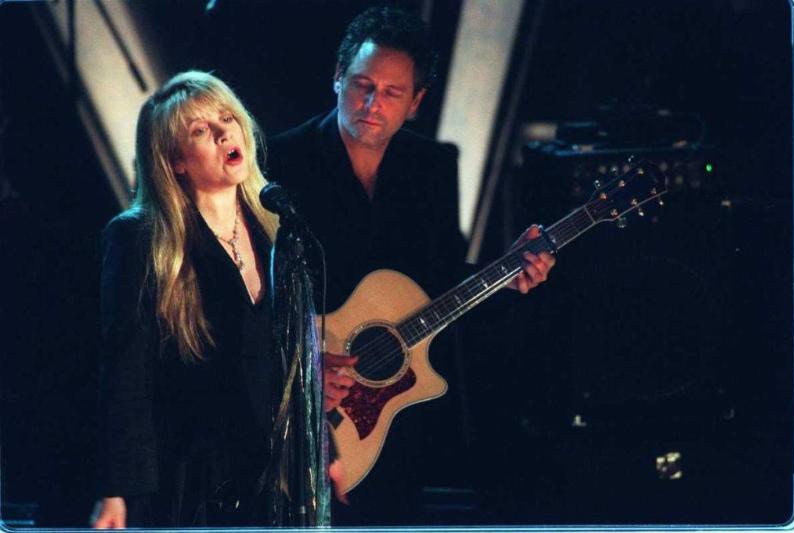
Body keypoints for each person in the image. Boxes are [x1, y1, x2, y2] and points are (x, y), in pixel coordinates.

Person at [267, 6, 555, 525]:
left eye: (392, 93)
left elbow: (441, 280)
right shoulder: (281, 162)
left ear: (416, 102)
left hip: (401, 416)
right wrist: (300, 364)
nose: (372, 104)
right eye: (361, 85)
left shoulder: (432, 169)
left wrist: (509, 275)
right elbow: (250, 290)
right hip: (303, 412)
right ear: (337, 77)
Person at [91, 71, 335, 529]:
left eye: (227, 118)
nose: (224, 133)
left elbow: (297, 364)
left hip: (271, 479)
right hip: (188, 478)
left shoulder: (277, 232)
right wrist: (116, 490)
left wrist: (325, 451)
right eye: (201, 130)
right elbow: (125, 371)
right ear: (175, 161)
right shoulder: (140, 238)